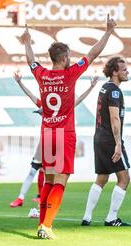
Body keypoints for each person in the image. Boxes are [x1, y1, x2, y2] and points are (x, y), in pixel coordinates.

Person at [21, 15, 116, 239]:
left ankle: (42, 225)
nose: (71, 59)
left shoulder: (42, 75)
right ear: (63, 58)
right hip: (64, 134)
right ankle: (46, 226)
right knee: (61, 181)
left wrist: (26, 42)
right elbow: (93, 53)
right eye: (69, 57)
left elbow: (30, 61)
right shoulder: (70, 74)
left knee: (49, 179)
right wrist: (108, 32)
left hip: (47, 133)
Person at [10, 71, 99, 214]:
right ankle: (30, 203)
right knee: (51, 175)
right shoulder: (63, 104)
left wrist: (20, 83)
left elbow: (31, 96)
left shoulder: (47, 103)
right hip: (56, 138)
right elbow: (79, 100)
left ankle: (38, 205)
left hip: (49, 137)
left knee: (45, 174)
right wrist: (91, 87)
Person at [81, 57, 131, 227]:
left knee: (101, 178)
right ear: (114, 72)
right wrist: (118, 143)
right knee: (124, 179)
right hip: (110, 139)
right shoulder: (115, 91)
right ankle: (111, 217)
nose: (127, 72)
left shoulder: (104, 88)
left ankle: (87, 216)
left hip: (99, 137)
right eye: (124, 69)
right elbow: (114, 118)